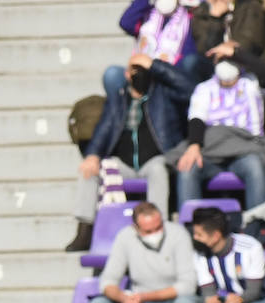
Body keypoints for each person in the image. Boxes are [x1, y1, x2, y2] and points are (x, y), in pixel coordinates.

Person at [67, 52, 195, 252]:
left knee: (159, 171)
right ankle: (85, 228)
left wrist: (154, 65)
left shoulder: (163, 93)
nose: (138, 74)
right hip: (124, 162)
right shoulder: (119, 99)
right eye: (133, 70)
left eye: (141, 69)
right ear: (126, 74)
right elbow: (104, 128)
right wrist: (92, 155)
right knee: (89, 170)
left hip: (156, 158)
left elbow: (189, 89)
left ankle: (156, 227)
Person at [88, 201, 203, 303]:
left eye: (158, 227)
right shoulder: (125, 236)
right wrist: (124, 299)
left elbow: (187, 285)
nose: (155, 234)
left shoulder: (178, 234)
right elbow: (107, 281)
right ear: (136, 228)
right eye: (148, 231)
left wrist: (145, 297)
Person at [175, 55, 265, 209]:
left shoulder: (251, 83)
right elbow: (196, 118)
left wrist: (237, 52)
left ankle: (258, 226)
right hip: (212, 149)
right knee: (188, 169)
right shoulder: (204, 88)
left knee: (255, 166)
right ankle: (192, 227)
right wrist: (194, 146)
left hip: (244, 149)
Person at [189, 207, 265, 303]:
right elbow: (208, 289)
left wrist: (241, 299)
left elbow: (254, 291)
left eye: (199, 234)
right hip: (228, 302)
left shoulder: (251, 247)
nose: (195, 238)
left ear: (216, 235)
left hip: (261, 300)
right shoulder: (200, 253)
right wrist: (211, 301)